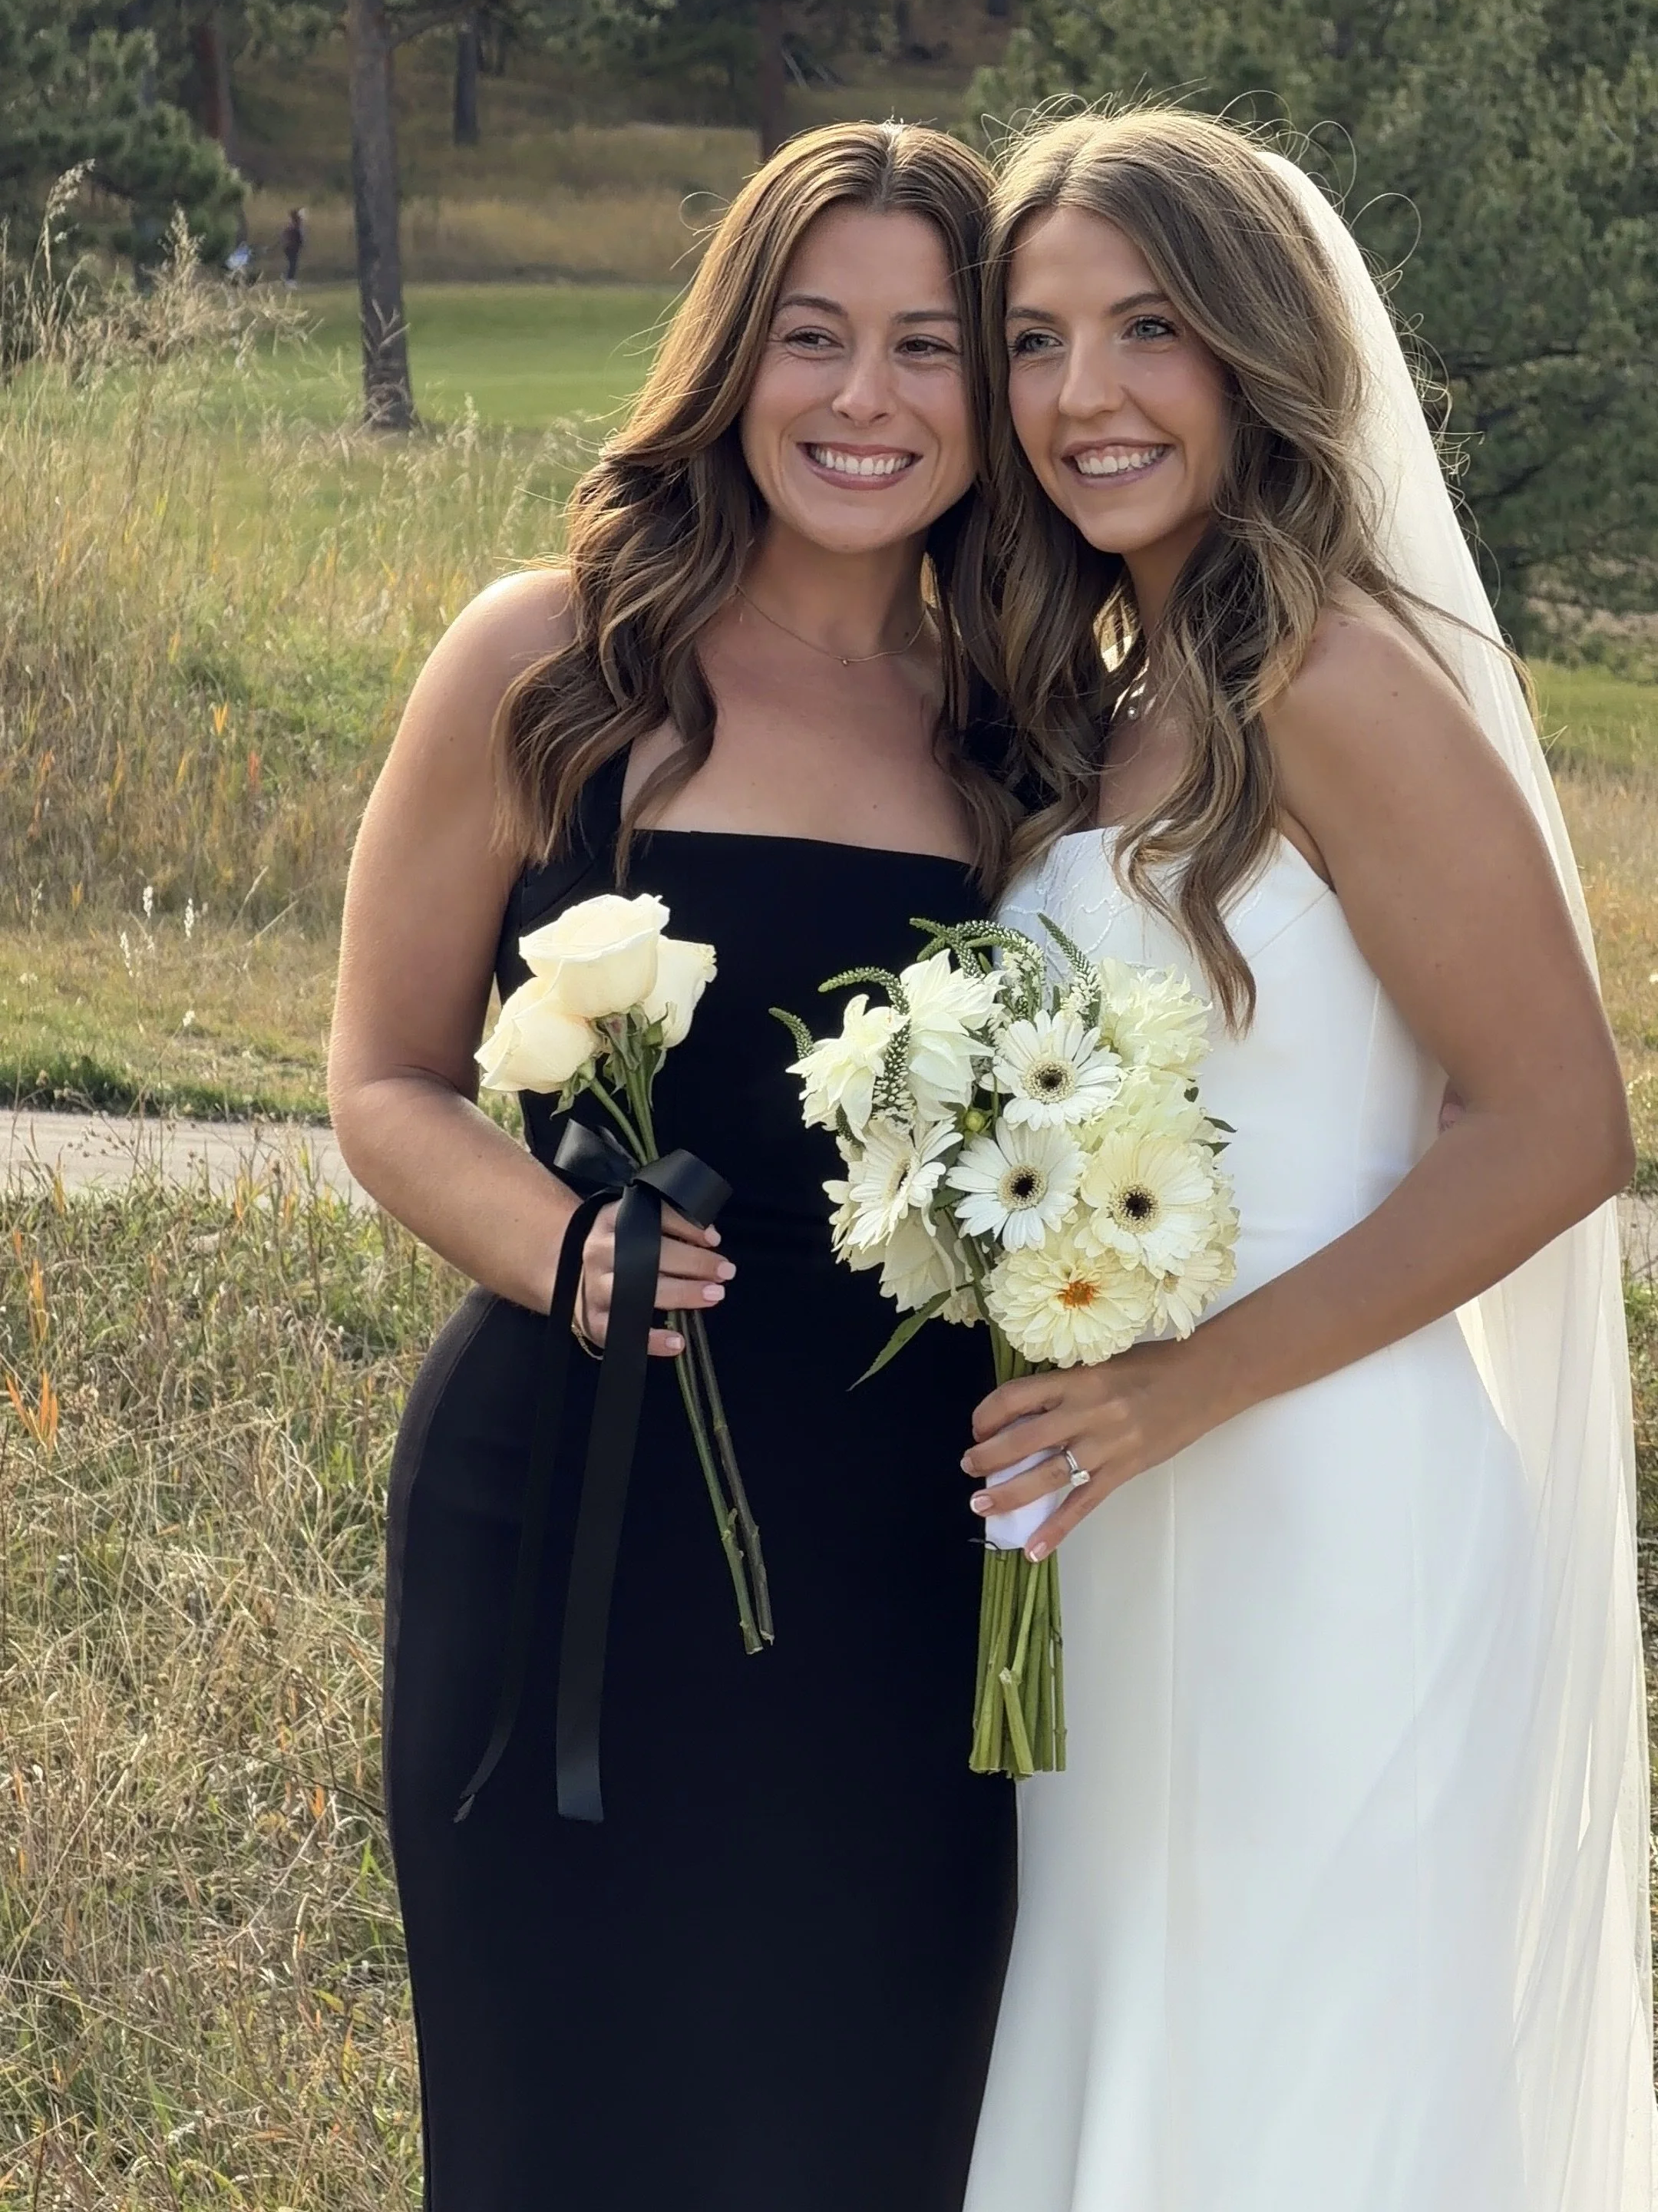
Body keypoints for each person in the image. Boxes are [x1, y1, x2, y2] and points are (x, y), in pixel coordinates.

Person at [953, 109, 1652, 2212]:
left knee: (1309, 2084)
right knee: (1155, 2048)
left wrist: (1179, 1388)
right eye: (1037, 338)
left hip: (1326, 1498)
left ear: (1259, 350)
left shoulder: (1333, 672)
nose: (1086, 398)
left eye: (1148, 328)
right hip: (1114, 1516)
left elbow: (1559, 1125)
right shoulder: (1103, 697)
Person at [329, 121, 1019, 2212]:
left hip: (908, 1560)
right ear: (733, 356)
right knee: (564, 2136)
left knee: (862, 2130)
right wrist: (562, 1248)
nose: (865, 402)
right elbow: (382, 1075)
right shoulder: (550, 656)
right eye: (814, 337)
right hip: (577, 1515)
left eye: (927, 345)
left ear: (998, 387)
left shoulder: (1027, 731)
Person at [279, 206, 307, 286]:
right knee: (293, 264)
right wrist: (302, 243)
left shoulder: (293, 225)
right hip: (291, 247)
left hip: (289, 247)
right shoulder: (296, 226)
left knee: (293, 263)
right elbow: (301, 237)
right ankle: (289, 280)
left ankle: (288, 279)